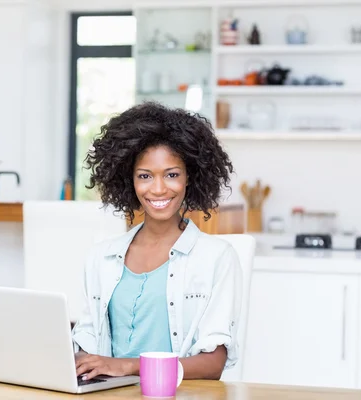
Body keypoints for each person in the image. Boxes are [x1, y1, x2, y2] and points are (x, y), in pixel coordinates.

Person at [72, 101, 241, 381]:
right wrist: (78, 359)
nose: (159, 188)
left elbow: (213, 364)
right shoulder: (101, 257)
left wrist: (126, 366)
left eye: (172, 175)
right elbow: (88, 341)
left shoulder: (217, 257)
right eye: (145, 176)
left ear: (190, 177)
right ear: (129, 181)